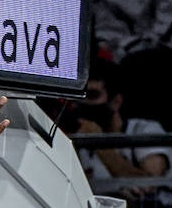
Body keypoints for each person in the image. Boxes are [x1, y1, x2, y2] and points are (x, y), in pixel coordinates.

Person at [73, 60, 172, 191]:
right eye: (81, 96)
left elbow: (149, 186)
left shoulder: (144, 130)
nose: (84, 103)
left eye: (93, 95)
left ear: (116, 101)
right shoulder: (79, 139)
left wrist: (98, 143)